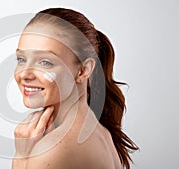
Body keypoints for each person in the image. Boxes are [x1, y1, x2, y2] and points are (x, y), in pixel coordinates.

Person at [12, 8, 139, 169]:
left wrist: (21, 158)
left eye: (45, 62)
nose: (25, 74)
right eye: (22, 59)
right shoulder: (99, 132)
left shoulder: (52, 150)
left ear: (83, 70)